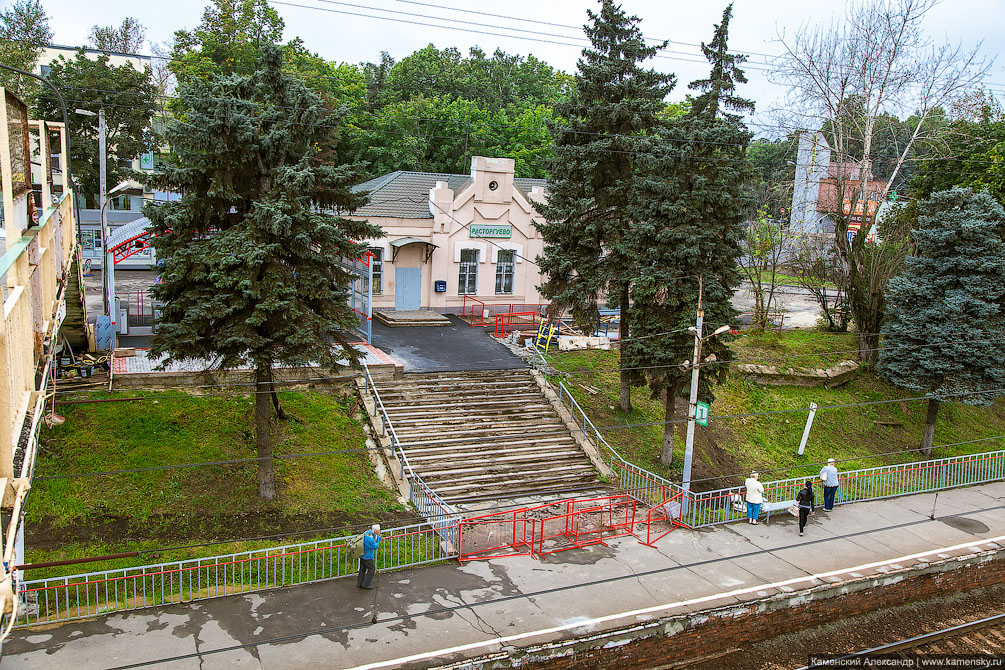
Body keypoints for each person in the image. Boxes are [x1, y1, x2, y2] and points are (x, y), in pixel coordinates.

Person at [357, 524, 381, 590]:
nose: (379, 531)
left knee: (362, 569)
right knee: (371, 569)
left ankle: (360, 583)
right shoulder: (370, 538)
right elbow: (375, 546)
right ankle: (365, 584)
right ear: (375, 531)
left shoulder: (367, 533)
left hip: (362, 554)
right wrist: (378, 539)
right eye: (379, 530)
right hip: (367, 556)